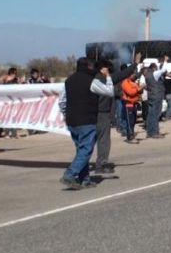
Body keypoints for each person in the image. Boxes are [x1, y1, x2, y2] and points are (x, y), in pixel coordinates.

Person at [59, 58, 114, 190]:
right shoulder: (91, 81)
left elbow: (62, 102)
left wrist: (67, 114)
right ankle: (70, 174)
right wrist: (108, 78)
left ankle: (85, 179)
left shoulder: (68, 81)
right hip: (86, 120)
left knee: (81, 151)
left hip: (72, 121)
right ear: (88, 66)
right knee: (86, 150)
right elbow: (109, 92)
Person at [92, 55, 140, 174]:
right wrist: (135, 64)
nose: (108, 70)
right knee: (104, 140)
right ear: (102, 69)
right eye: (107, 68)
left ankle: (90, 165)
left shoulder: (94, 79)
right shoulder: (102, 79)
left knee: (91, 141)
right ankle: (101, 164)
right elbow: (122, 75)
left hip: (94, 113)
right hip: (102, 114)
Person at [143, 56, 169, 139]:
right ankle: (155, 132)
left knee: (150, 115)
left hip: (151, 96)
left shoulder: (147, 75)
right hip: (157, 96)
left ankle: (149, 132)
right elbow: (163, 70)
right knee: (156, 115)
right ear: (154, 68)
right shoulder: (155, 74)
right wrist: (165, 61)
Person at [121, 70, 144, 143]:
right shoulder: (125, 82)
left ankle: (131, 135)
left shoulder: (133, 82)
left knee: (133, 121)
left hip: (134, 103)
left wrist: (140, 89)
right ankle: (130, 137)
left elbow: (139, 91)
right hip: (128, 104)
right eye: (133, 74)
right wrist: (139, 88)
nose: (134, 75)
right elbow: (130, 92)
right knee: (129, 121)